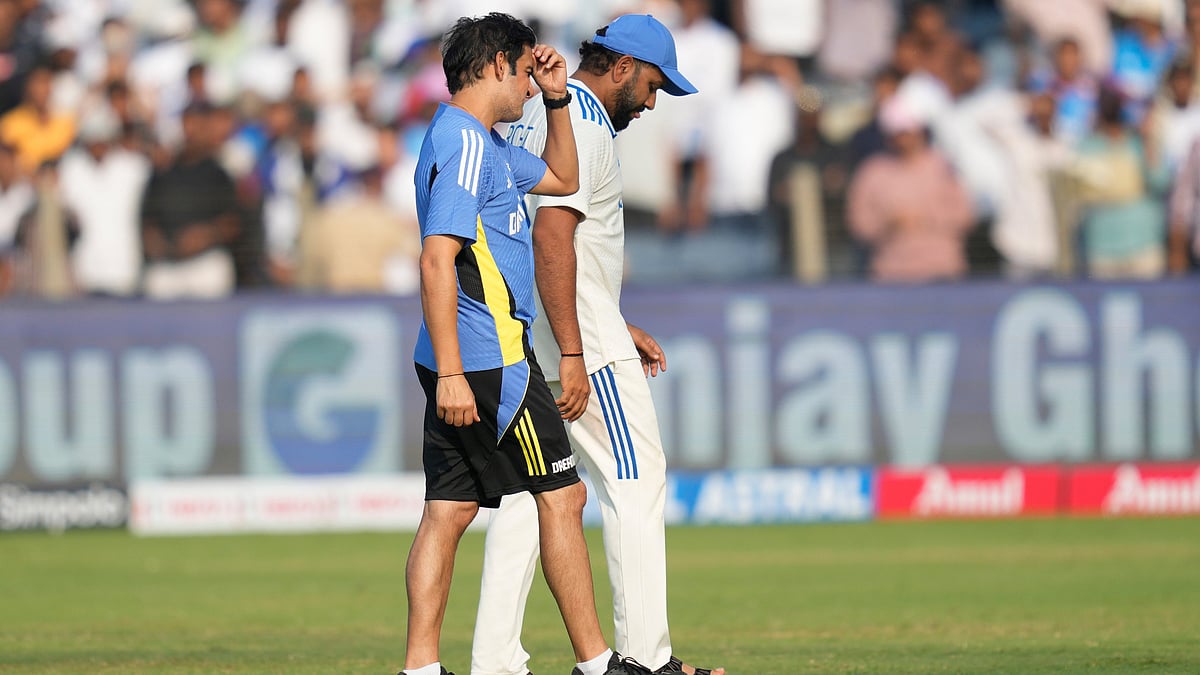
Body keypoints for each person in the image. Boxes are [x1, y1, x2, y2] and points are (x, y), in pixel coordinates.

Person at [404, 13, 670, 675]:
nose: (530, 86)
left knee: (450, 508)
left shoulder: (478, 139)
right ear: (497, 64)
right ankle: (599, 662)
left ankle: (421, 667)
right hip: (491, 357)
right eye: (525, 72)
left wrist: (555, 99)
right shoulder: (468, 146)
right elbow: (438, 260)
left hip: (460, 356)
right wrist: (459, 375)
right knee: (564, 495)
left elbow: (557, 177)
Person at [473, 14, 721, 675]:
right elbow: (554, 236)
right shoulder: (578, 117)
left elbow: (553, 240)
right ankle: (644, 658)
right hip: (574, 329)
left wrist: (609, 316)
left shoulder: (539, 113)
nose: (649, 104)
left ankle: (494, 659)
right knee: (636, 476)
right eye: (651, 87)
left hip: (539, 318)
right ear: (621, 68)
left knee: (540, 488)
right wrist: (582, 345)